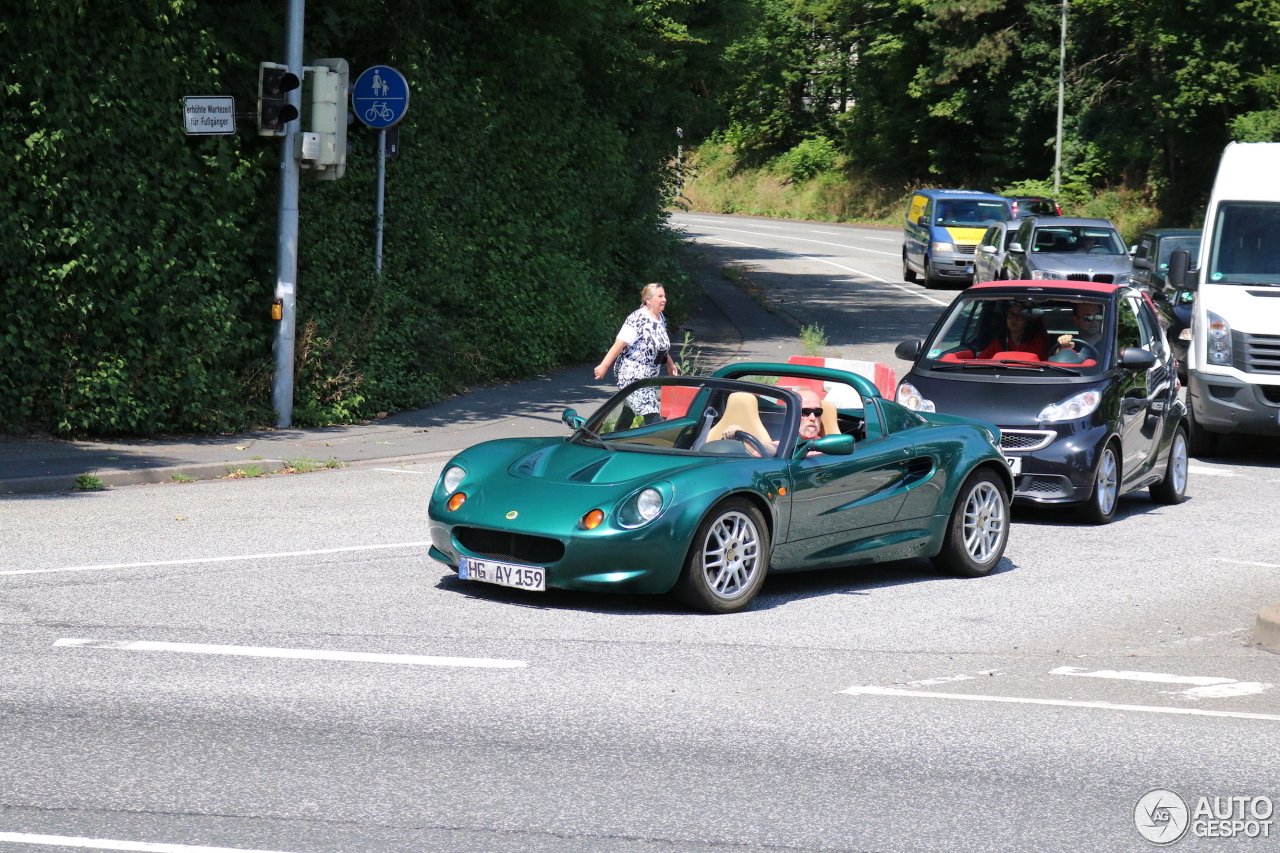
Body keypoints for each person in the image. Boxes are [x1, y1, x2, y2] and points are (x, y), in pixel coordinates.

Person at [594, 283, 679, 427]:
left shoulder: (660, 318)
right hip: (632, 375)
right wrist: (604, 365)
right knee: (651, 413)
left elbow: (659, 346)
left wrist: (670, 363)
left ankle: (615, 439)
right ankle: (657, 442)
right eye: (660, 296)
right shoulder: (637, 318)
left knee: (630, 411)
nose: (664, 299)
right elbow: (619, 345)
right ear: (648, 300)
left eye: (664, 296)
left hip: (649, 376)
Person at [724, 388, 827, 457]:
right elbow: (774, 448)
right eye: (805, 412)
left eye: (818, 412)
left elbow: (776, 450)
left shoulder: (825, 445)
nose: (813, 418)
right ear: (791, 415)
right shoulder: (782, 443)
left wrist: (746, 438)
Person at [977, 301, 1048, 359]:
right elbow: (981, 361)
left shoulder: (1036, 342)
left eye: (1020, 316)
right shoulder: (999, 341)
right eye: (1011, 314)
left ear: (1027, 321)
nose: (1014, 319)